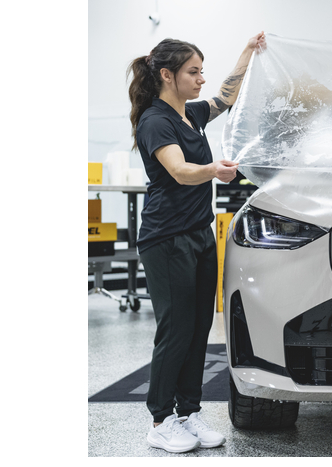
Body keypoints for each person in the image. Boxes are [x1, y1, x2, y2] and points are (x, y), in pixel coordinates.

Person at [126, 32, 266, 453]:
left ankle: (188, 412)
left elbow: (226, 96)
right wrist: (213, 170)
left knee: (201, 325)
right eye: (193, 71)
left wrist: (248, 51)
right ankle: (160, 420)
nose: (201, 78)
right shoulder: (156, 120)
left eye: (202, 70)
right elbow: (179, 170)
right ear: (167, 75)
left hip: (199, 234)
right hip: (167, 238)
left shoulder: (191, 113)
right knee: (176, 329)